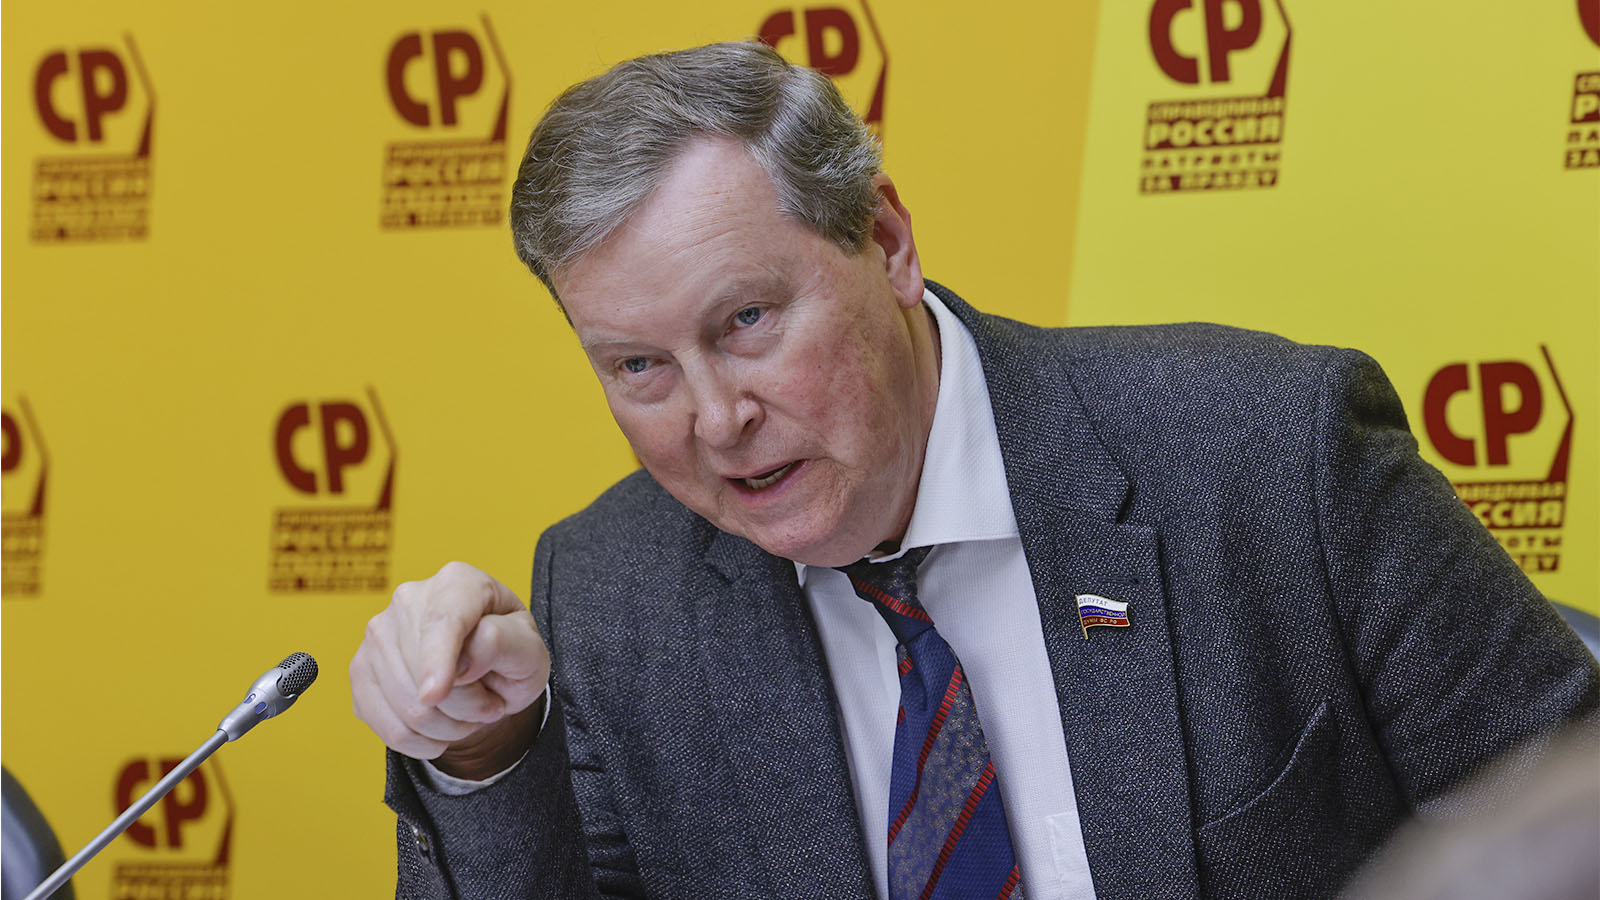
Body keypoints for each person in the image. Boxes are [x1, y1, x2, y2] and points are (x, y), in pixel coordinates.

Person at [348, 41, 1600, 900]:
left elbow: (1570, 831)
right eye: (638, 367)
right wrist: (487, 756)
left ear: (886, 240)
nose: (716, 420)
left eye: (747, 322)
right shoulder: (614, 592)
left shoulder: (1268, 455)